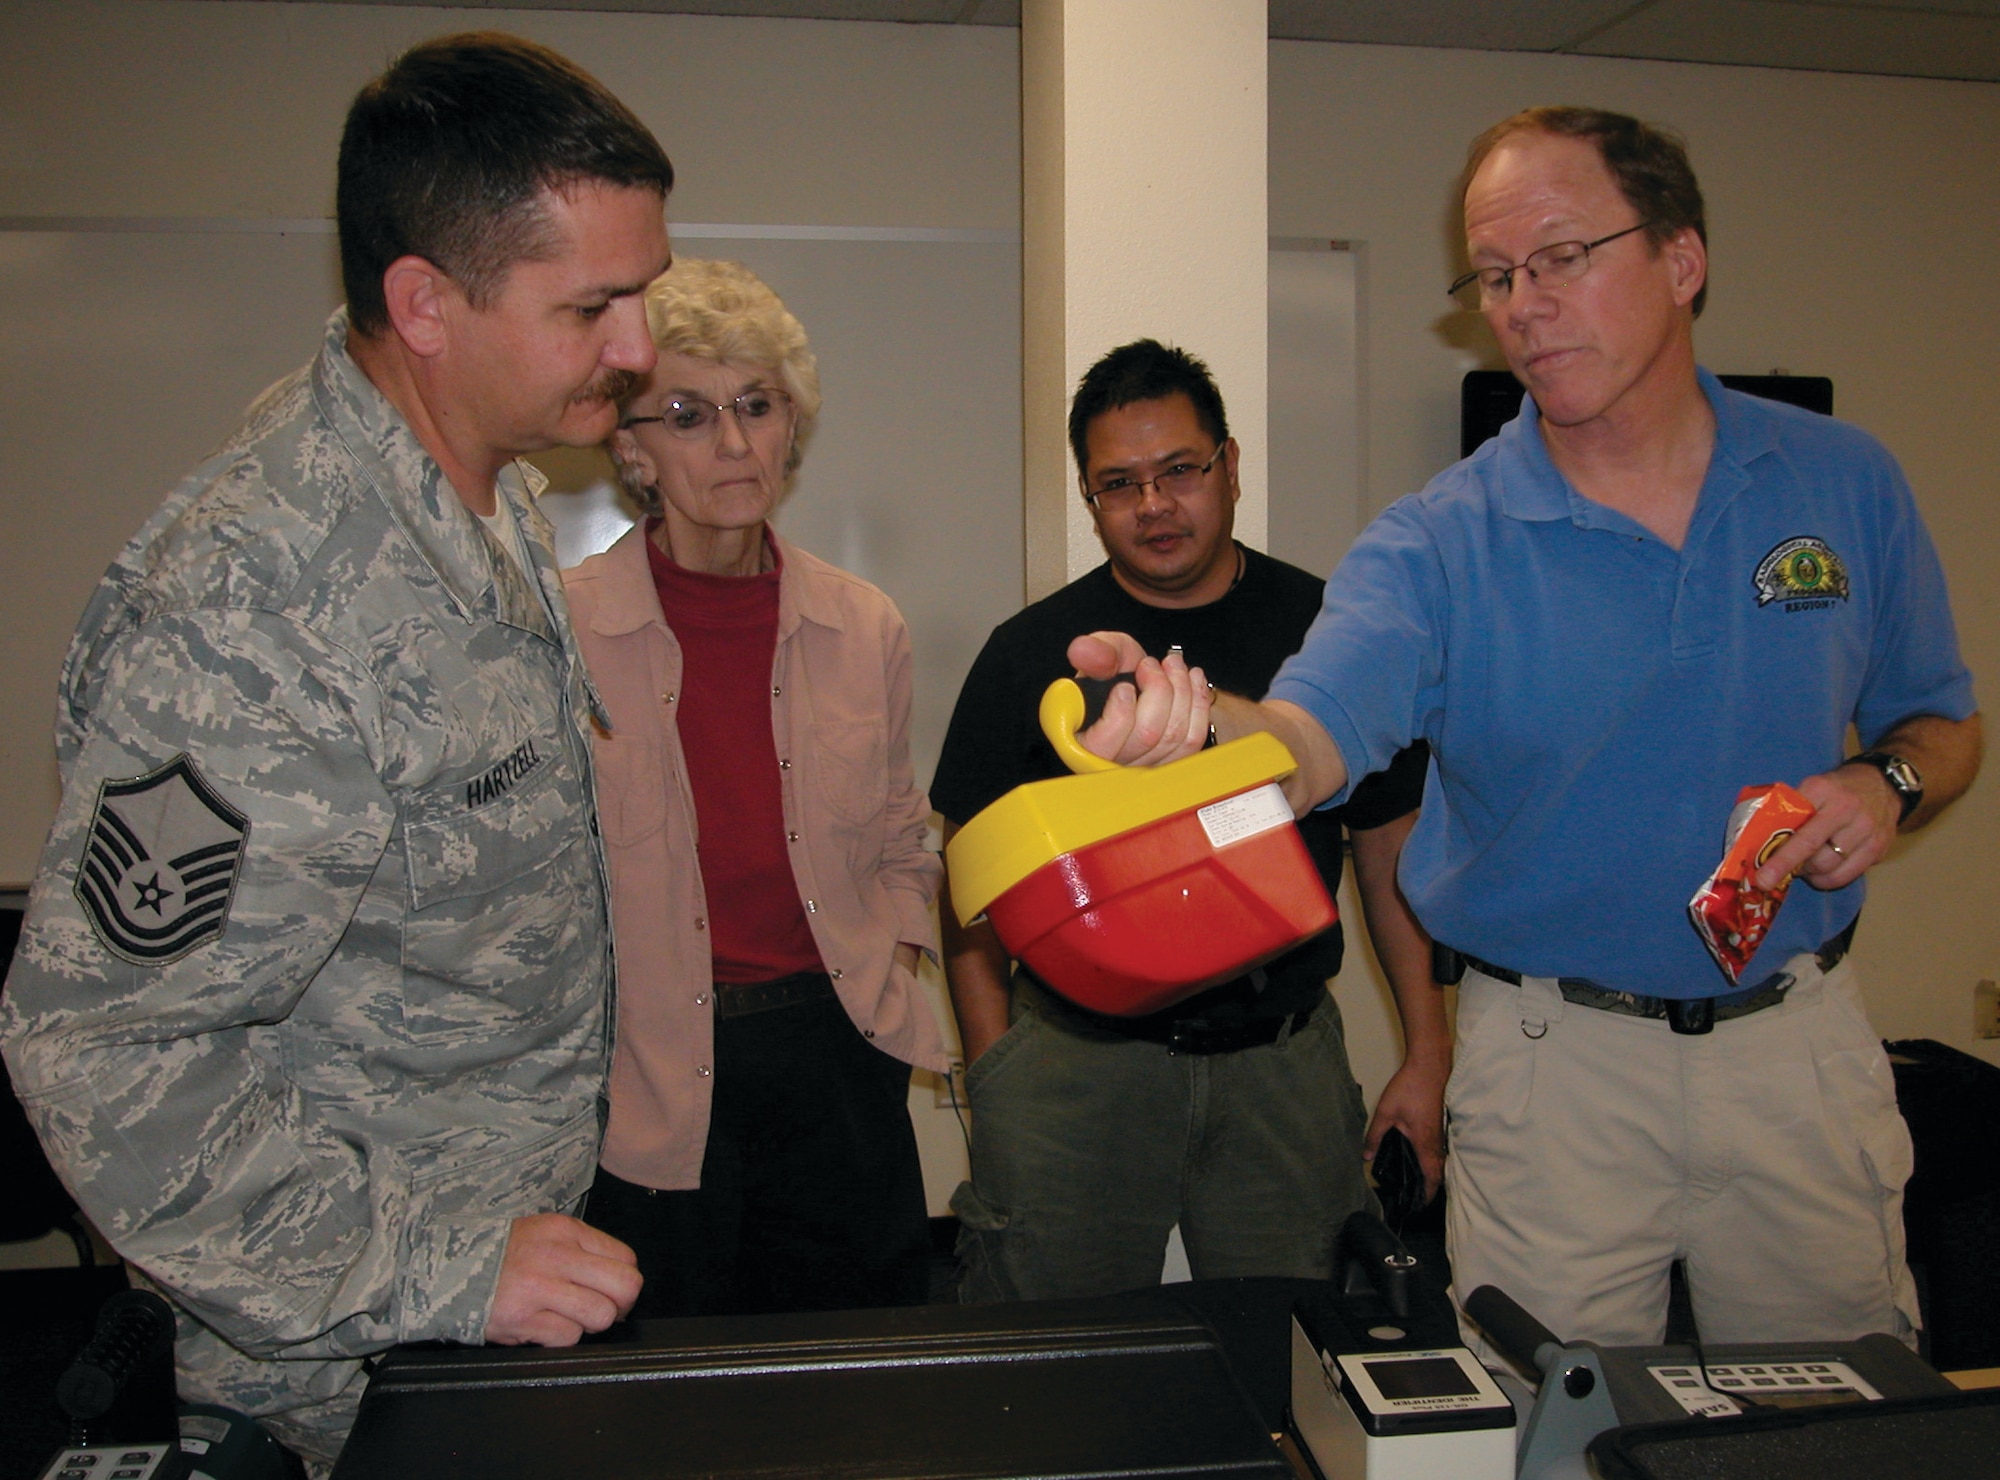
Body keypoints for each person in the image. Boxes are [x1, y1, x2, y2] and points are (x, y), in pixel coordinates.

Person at [1070, 109, 1981, 1353]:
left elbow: (1941, 719)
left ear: (1678, 258)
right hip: (1555, 1069)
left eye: (1558, 259)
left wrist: (1882, 783)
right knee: (1555, 1425)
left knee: (1827, 1420)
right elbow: (1313, 734)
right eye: (1494, 277)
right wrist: (1199, 734)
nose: (1519, 306)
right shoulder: (1438, 538)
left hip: (1796, 1045)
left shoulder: (1840, 480)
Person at [0, 34, 674, 1468]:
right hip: (344, 1365)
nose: (639, 349)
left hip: (487, 1304)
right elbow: (99, 1053)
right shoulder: (254, 614)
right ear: (424, 305)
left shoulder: (478, 495)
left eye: (644, 296)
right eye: (593, 307)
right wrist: (441, 1267)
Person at [933, 339, 1446, 1301]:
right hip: (1076, 1074)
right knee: (1056, 1362)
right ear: (1090, 500)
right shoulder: (1029, 654)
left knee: (1295, 1357)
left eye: (1179, 470)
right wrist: (995, 1067)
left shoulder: (1328, 633)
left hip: (1281, 1067)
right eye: (1118, 483)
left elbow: (1389, 857)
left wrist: (1427, 1054)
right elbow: (969, 888)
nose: (1154, 504)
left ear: (1231, 464)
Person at [564, 259, 947, 1318]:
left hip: (834, 1052)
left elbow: (900, 837)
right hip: (650, 1066)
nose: (733, 444)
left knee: (852, 1390)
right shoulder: (563, 631)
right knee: (664, 1394)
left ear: (792, 423)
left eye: (756, 406)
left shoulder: (863, 626)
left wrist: (888, 968)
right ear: (632, 448)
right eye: (687, 414)